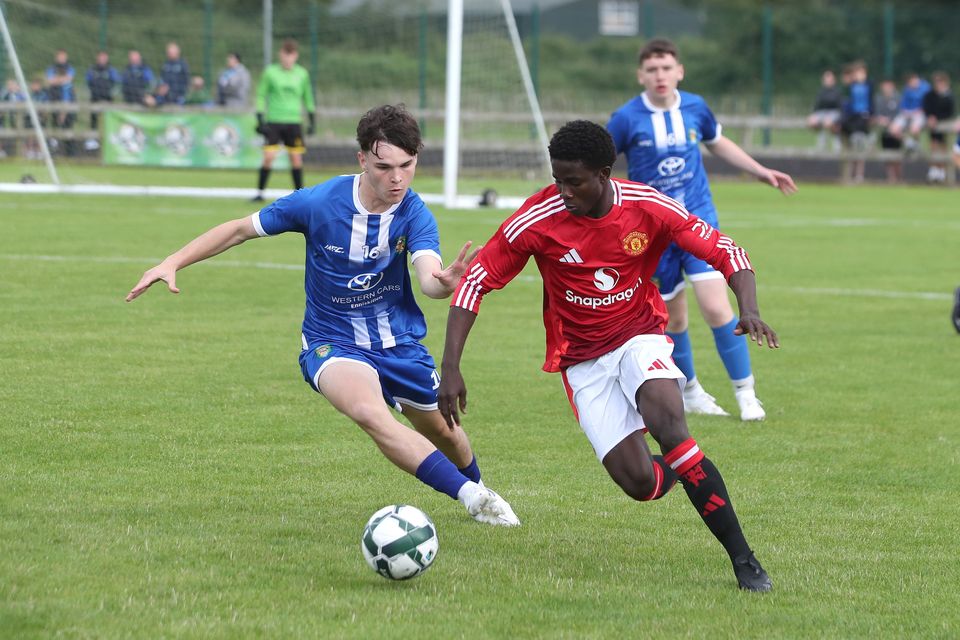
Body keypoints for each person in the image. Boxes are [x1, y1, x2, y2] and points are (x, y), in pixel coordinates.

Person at [126, 104, 519, 528]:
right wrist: (173, 261)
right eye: (385, 166)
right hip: (332, 342)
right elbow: (240, 228)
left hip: (399, 343)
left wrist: (445, 282)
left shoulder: (415, 213)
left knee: (446, 434)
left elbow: (428, 279)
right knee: (370, 413)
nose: (397, 178)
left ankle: (481, 491)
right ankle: (470, 497)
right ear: (362, 159)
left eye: (407, 165)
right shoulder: (318, 202)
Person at [439, 120, 777, 591]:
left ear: (604, 173)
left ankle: (745, 561)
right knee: (640, 484)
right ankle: (682, 468)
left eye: (573, 181)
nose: (563, 191)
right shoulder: (538, 217)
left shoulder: (648, 206)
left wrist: (750, 308)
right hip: (581, 360)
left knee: (670, 426)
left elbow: (725, 250)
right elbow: (476, 281)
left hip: (640, 335)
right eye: (557, 179)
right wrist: (450, 367)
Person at [606, 38, 795, 421]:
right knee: (674, 319)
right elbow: (601, 165)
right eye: (652, 70)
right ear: (641, 75)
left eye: (666, 68)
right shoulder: (626, 118)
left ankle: (746, 394)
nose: (660, 76)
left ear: (679, 71)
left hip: (698, 221)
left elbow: (716, 140)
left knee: (715, 305)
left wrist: (760, 171)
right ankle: (691, 390)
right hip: (653, 231)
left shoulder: (695, 107)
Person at [252, 39, 316, 202]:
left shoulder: (302, 74)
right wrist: (260, 118)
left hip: (294, 122)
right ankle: (259, 193)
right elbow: (261, 95)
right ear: (280, 54)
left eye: (291, 55)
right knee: (268, 157)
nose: (287, 59)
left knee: (295, 159)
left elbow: (307, 97)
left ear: (296, 56)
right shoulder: (270, 72)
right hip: (274, 121)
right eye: (285, 55)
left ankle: (300, 195)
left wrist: (311, 119)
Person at [839, 60, 874, 183]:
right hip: (851, 120)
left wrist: (871, 115)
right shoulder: (850, 87)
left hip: (863, 119)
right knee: (851, 147)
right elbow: (846, 103)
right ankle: (849, 174)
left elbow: (871, 102)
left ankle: (859, 174)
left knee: (860, 146)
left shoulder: (869, 85)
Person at [922, 71, 954, 184]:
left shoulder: (949, 96)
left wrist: (938, 119)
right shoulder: (930, 95)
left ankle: (942, 172)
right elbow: (927, 108)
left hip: (944, 125)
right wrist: (930, 117)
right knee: (933, 146)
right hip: (933, 125)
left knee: (943, 147)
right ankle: (934, 171)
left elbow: (949, 112)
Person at [889, 72, 930, 154]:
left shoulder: (926, 88)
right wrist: (906, 111)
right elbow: (903, 105)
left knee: (914, 129)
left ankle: (916, 145)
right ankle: (909, 143)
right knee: (892, 129)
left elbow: (929, 103)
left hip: (920, 113)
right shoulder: (907, 89)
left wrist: (922, 110)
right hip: (907, 113)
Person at [873, 78, 903, 183]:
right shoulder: (878, 99)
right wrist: (880, 119)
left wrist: (892, 123)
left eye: (888, 85)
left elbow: (901, 114)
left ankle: (898, 178)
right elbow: (876, 114)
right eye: (884, 85)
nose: (886, 88)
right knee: (887, 155)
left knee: (897, 155)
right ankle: (891, 178)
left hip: (896, 132)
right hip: (884, 132)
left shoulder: (898, 98)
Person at [807, 69, 843, 151]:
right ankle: (821, 144)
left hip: (834, 113)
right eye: (826, 79)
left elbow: (839, 108)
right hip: (822, 114)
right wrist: (813, 116)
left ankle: (837, 146)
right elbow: (817, 106)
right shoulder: (821, 92)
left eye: (829, 79)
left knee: (829, 122)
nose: (827, 81)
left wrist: (835, 119)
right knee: (813, 121)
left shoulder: (837, 92)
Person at [85, 50, 120, 130]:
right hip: (95, 98)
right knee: (94, 119)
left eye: (104, 58)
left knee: (107, 119)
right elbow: (87, 82)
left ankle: (107, 136)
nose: (102, 59)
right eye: (100, 57)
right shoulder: (92, 70)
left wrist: (112, 93)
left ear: (107, 59)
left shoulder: (111, 70)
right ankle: (92, 138)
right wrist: (90, 91)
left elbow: (117, 83)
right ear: (97, 58)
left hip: (107, 98)